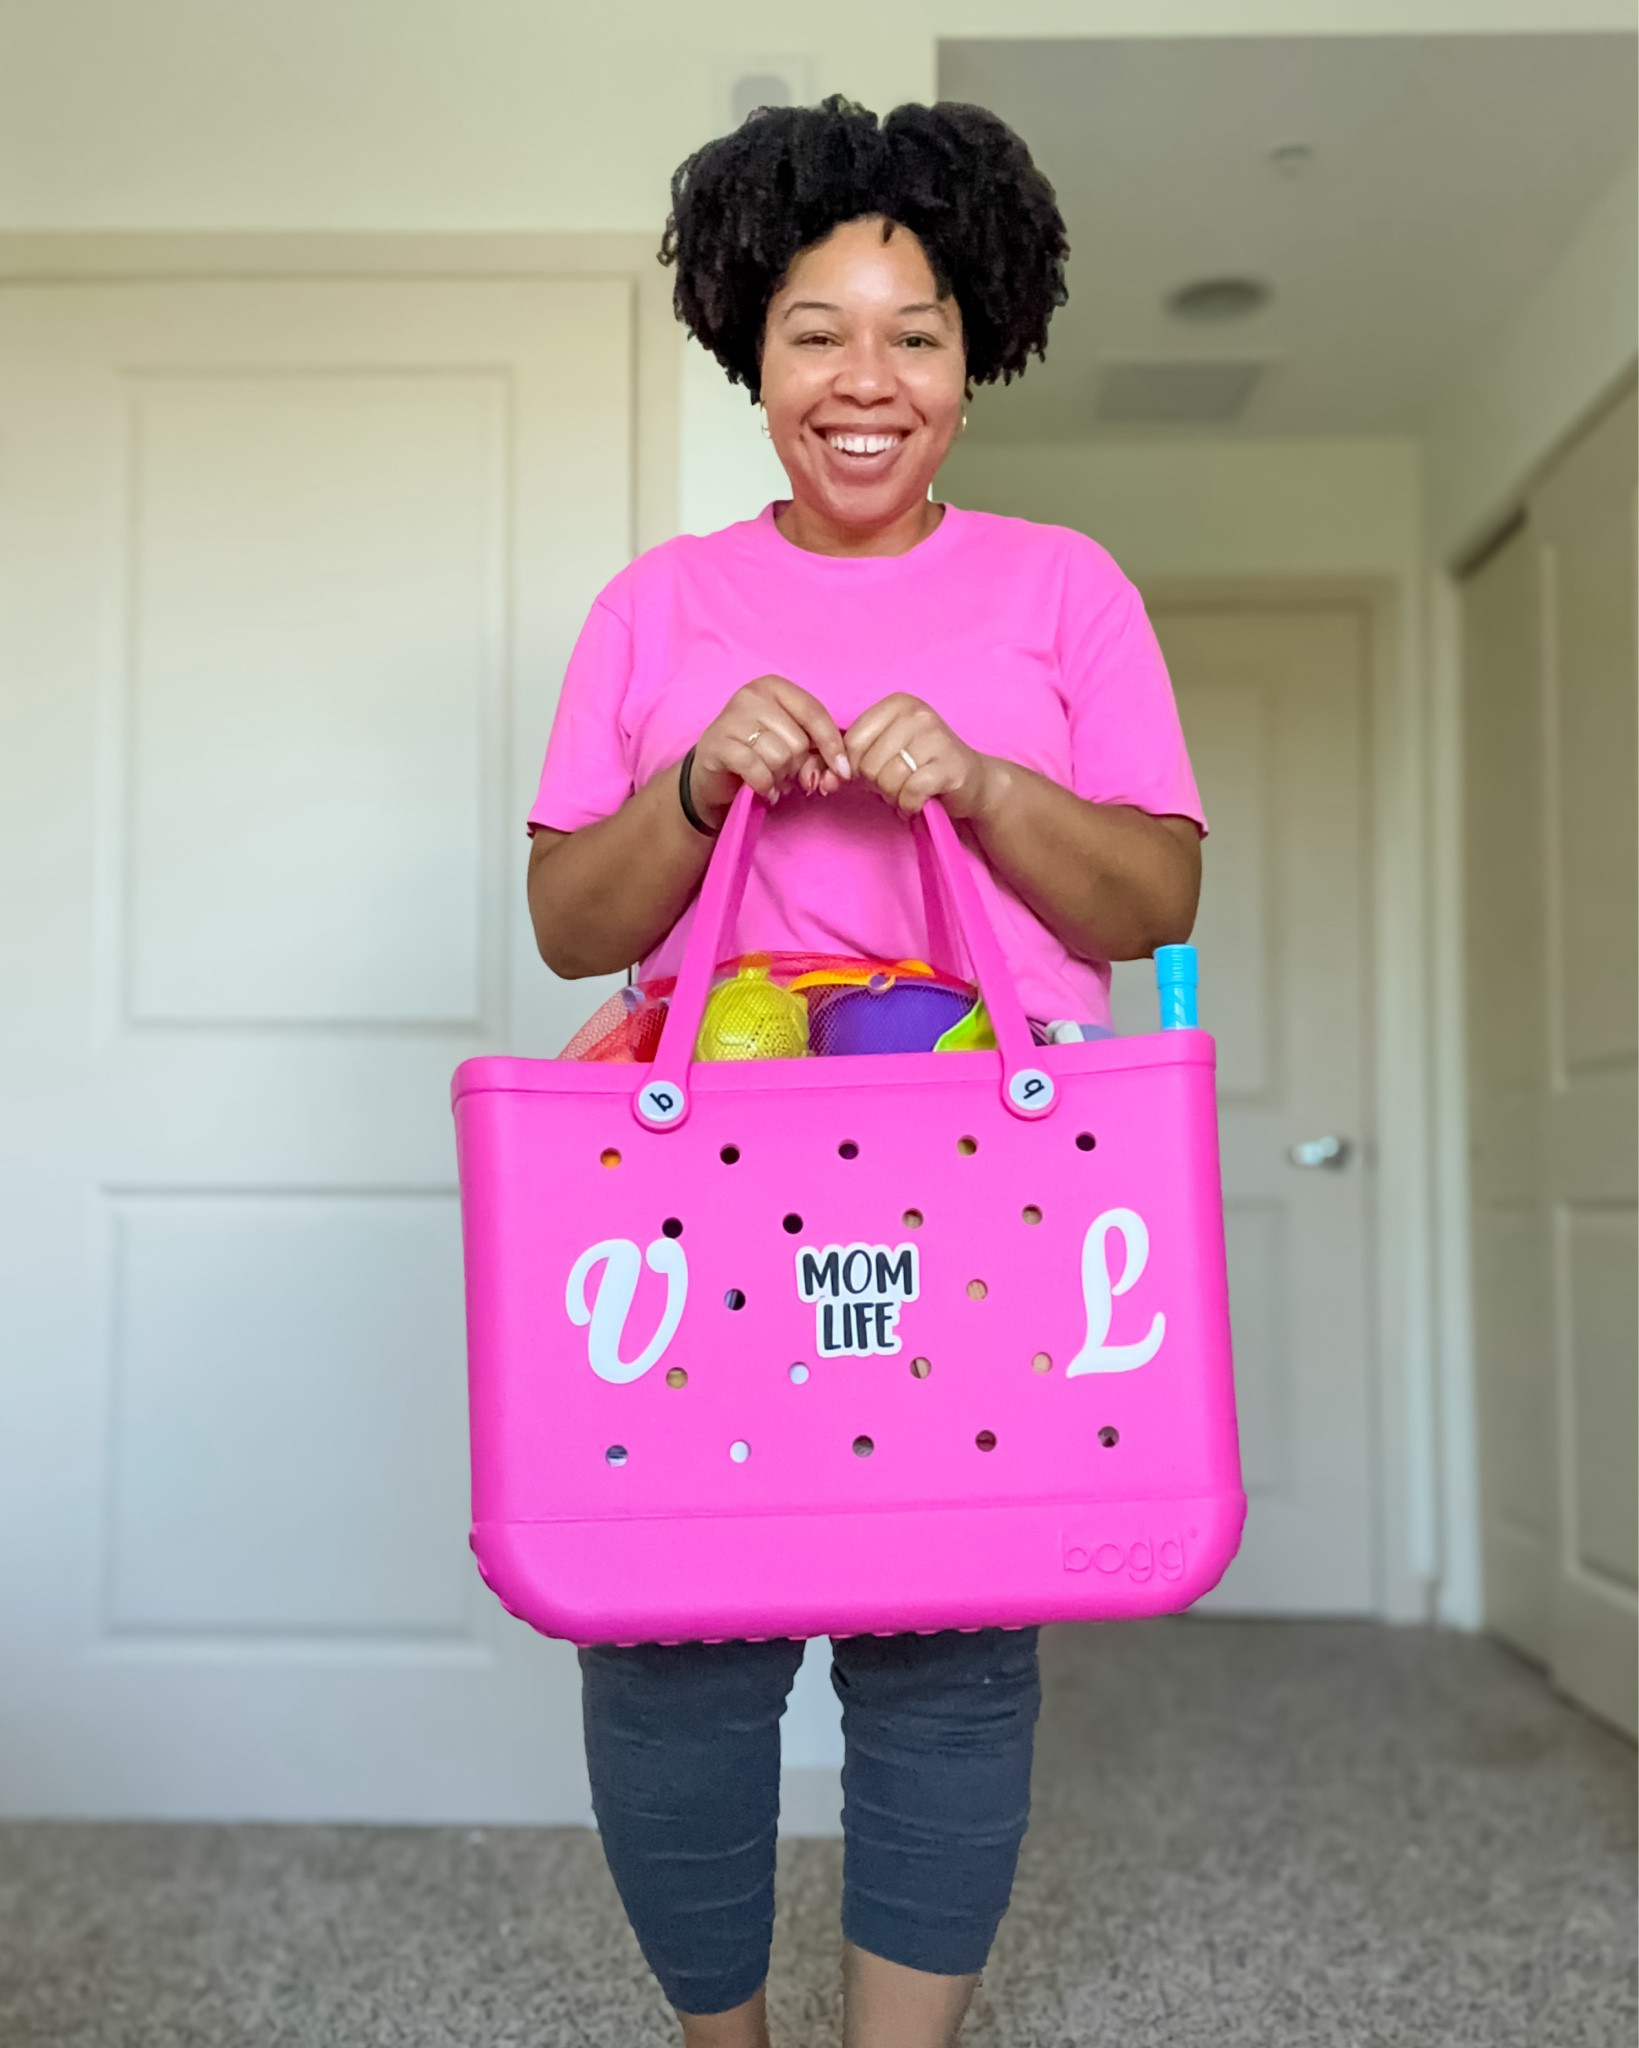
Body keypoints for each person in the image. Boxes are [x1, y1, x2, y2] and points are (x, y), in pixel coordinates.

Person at [525, 96, 1204, 2048]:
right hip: (699, 1178)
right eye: (817, 327)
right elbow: (576, 924)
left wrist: (985, 787)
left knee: (950, 1643)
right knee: (669, 1648)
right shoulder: (653, 611)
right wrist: (692, 781)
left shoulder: (1063, 590)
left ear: (974, 363)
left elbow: (1154, 885)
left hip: (979, 1166)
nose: (865, 377)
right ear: (752, 350)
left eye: (914, 331)